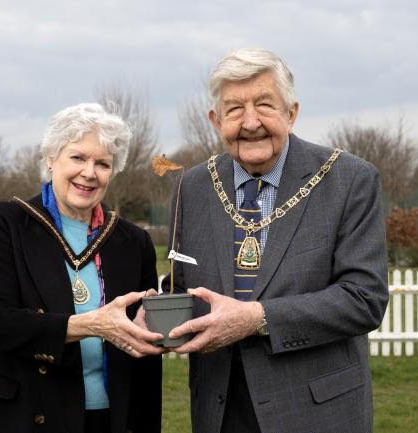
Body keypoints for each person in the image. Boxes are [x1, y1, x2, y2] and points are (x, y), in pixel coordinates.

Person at [165, 48, 389, 433]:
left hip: (318, 411)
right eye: (234, 109)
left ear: (292, 112)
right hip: (219, 412)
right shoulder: (192, 187)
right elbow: (181, 283)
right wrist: (155, 313)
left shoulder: (349, 180)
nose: (250, 122)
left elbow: (364, 299)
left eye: (265, 105)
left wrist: (257, 318)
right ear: (216, 120)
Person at [0, 103, 164, 433]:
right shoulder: (6, 222)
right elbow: (0, 324)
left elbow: (142, 353)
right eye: (78, 157)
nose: (89, 172)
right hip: (26, 414)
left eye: (103, 163)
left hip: (110, 418)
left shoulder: (133, 241)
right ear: (51, 158)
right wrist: (93, 324)